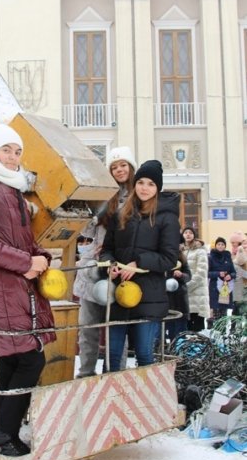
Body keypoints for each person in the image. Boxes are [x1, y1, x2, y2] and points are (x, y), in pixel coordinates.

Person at [0, 123, 56, 456]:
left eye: (17, 151)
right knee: (30, 360)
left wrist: (40, 255)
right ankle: (4, 434)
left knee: (12, 361)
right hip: (2, 285)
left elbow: (23, 240)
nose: (14, 157)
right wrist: (24, 262)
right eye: (7, 150)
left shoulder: (10, 187)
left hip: (17, 283)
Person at [99, 159, 180, 371]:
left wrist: (138, 263)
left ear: (158, 188)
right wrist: (110, 265)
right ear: (135, 184)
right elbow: (108, 249)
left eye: (151, 184)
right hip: (120, 295)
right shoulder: (121, 214)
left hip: (149, 297)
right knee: (112, 355)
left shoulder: (167, 218)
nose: (144, 188)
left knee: (144, 354)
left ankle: (145, 403)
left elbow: (170, 258)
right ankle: (110, 402)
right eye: (141, 182)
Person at [73, 146, 136, 377]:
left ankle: (115, 374)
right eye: (114, 167)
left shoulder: (138, 195)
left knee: (116, 329)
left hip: (118, 268)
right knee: (87, 328)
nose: (119, 170)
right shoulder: (100, 195)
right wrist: (91, 214)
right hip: (92, 268)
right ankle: (85, 373)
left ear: (131, 168)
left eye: (123, 165)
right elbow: (85, 228)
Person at [181, 227, 210, 331]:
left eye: (190, 233)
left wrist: (187, 286)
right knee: (186, 327)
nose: (188, 234)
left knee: (197, 326)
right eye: (185, 232)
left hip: (198, 293)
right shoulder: (181, 251)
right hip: (185, 295)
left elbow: (201, 272)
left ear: (194, 235)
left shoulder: (200, 251)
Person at [163, 246, 191, 344]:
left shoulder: (182, 260)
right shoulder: (162, 258)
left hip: (180, 300)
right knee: (168, 330)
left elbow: (188, 276)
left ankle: (179, 350)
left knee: (180, 333)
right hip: (166, 301)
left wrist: (181, 275)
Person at [208, 237, 236, 328]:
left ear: (225, 246)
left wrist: (230, 276)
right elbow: (207, 273)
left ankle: (222, 334)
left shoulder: (228, 257)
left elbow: (234, 272)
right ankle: (214, 334)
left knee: (224, 312)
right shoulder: (211, 257)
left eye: (222, 244)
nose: (220, 246)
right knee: (215, 311)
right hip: (214, 288)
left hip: (225, 288)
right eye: (219, 244)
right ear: (216, 246)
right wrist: (218, 273)